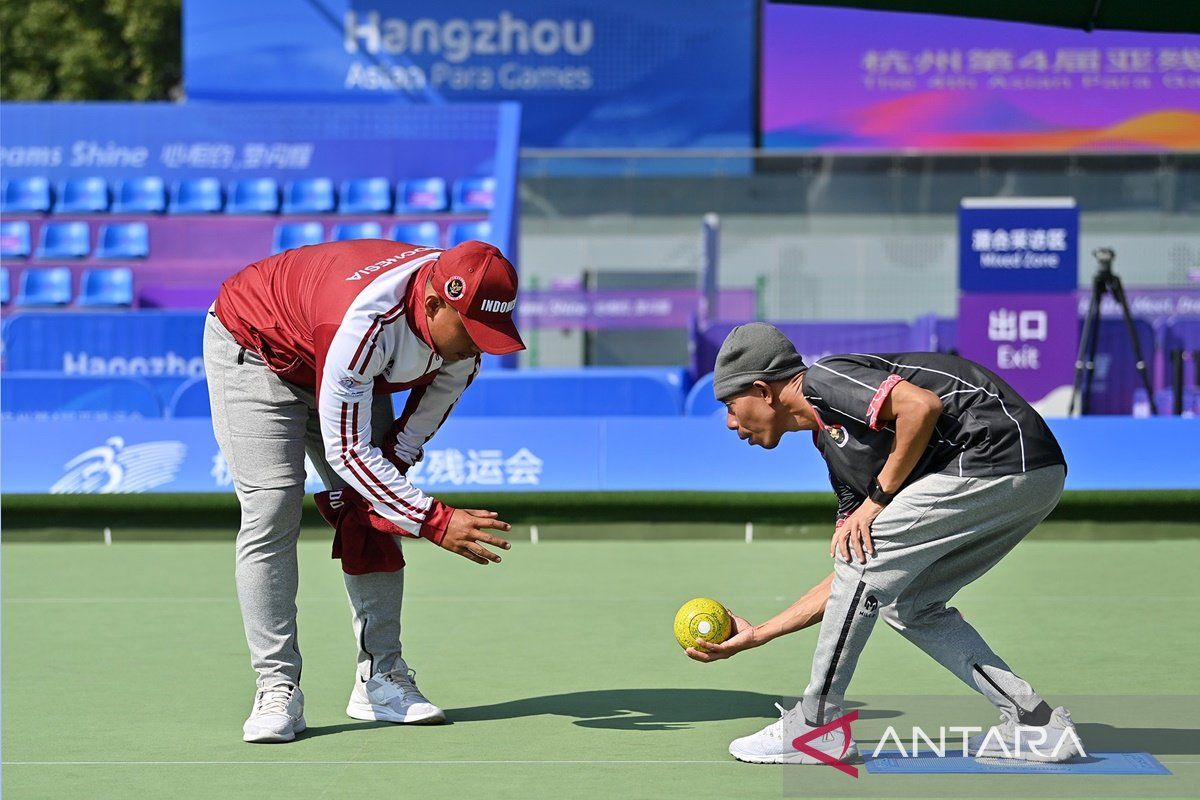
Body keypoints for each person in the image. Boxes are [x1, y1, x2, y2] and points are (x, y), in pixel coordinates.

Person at [691, 323, 1082, 765]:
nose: (728, 421)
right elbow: (855, 574)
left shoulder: (823, 380)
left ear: (763, 390)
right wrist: (759, 634)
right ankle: (1034, 722)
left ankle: (815, 726)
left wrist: (878, 500)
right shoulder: (834, 450)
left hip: (997, 455)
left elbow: (921, 404)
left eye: (729, 403)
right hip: (1030, 474)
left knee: (870, 568)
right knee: (910, 603)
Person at [203, 238, 523, 743]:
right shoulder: (366, 323)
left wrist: (380, 498)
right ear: (434, 303)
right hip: (258, 348)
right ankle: (276, 688)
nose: (478, 344)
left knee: (375, 512)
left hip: (344, 368)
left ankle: (382, 679)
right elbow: (348, 453)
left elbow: (405, 439)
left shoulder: (464, 339)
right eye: (470, 331)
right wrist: (435, 520)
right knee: (272, 508)